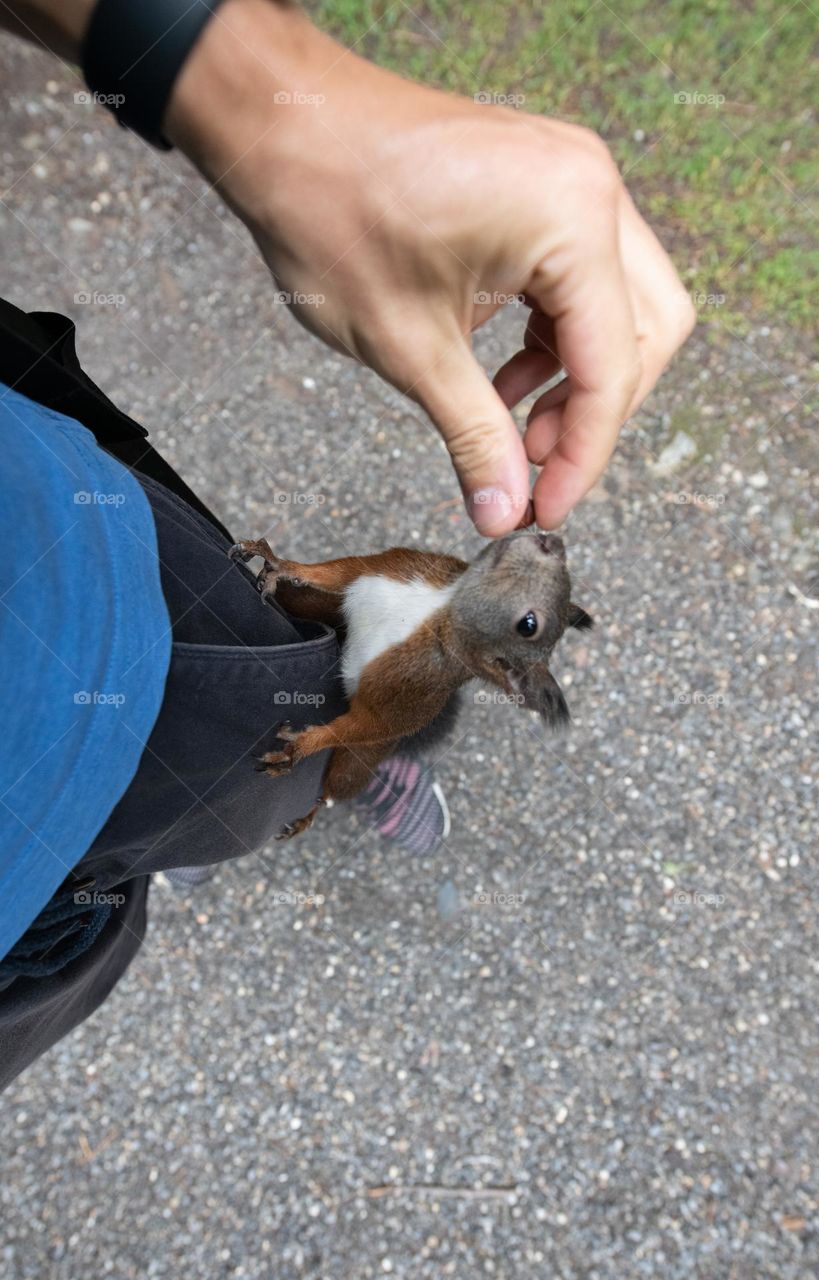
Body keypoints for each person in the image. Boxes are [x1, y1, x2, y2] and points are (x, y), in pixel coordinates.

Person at [0, 0, 694, 1088]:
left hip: (73, 569)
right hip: (40, 797)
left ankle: (268, 794)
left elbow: (358, 612)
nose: (538, 552)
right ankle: (183, 819)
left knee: (265, 698)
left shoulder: (440, 629)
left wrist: (233, 81)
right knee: (225, 776)